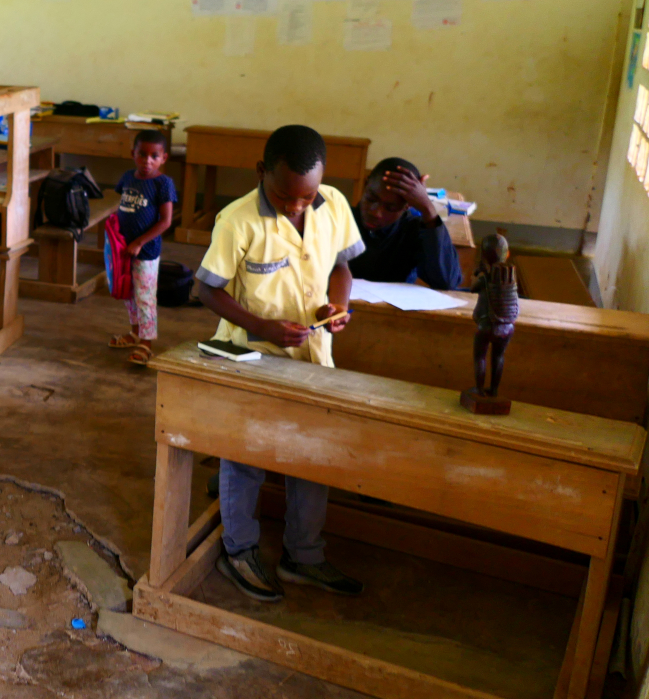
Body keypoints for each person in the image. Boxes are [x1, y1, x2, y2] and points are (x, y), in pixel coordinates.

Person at [195, 124, 367, 604]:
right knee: (244, 455)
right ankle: (240, 550)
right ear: (260, 173)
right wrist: (265, 327)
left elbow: (341, 267)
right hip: (252, 355)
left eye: (306, 198)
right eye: (285, 196)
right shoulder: (237, 220)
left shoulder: (331, 204)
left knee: (311, 456)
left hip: (312, 356)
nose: (297, 206)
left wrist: (337, 307)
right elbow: (206, 289)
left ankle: (303, 556)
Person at [108, 130, 177, 366]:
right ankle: (135, 332)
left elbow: (166, 221)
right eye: (142, 154)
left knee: (145, 297)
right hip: (123, 249)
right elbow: (121, 206)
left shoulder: (163, 184)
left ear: (163, 158)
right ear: (133, 154)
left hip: (145, 252)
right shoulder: (128, 177)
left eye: (154, 156)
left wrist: (139, 242)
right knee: (129, 294)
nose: (148, 161)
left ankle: (146, 344)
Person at [350, 157, 462, 289]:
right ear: (365, 185)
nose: (376, 213)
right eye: (371, 199)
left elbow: (446, 282)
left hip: (389, 308)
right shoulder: (340, 217)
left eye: (391, 208)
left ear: (407, 206)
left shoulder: (412, 230)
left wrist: (428, 209)